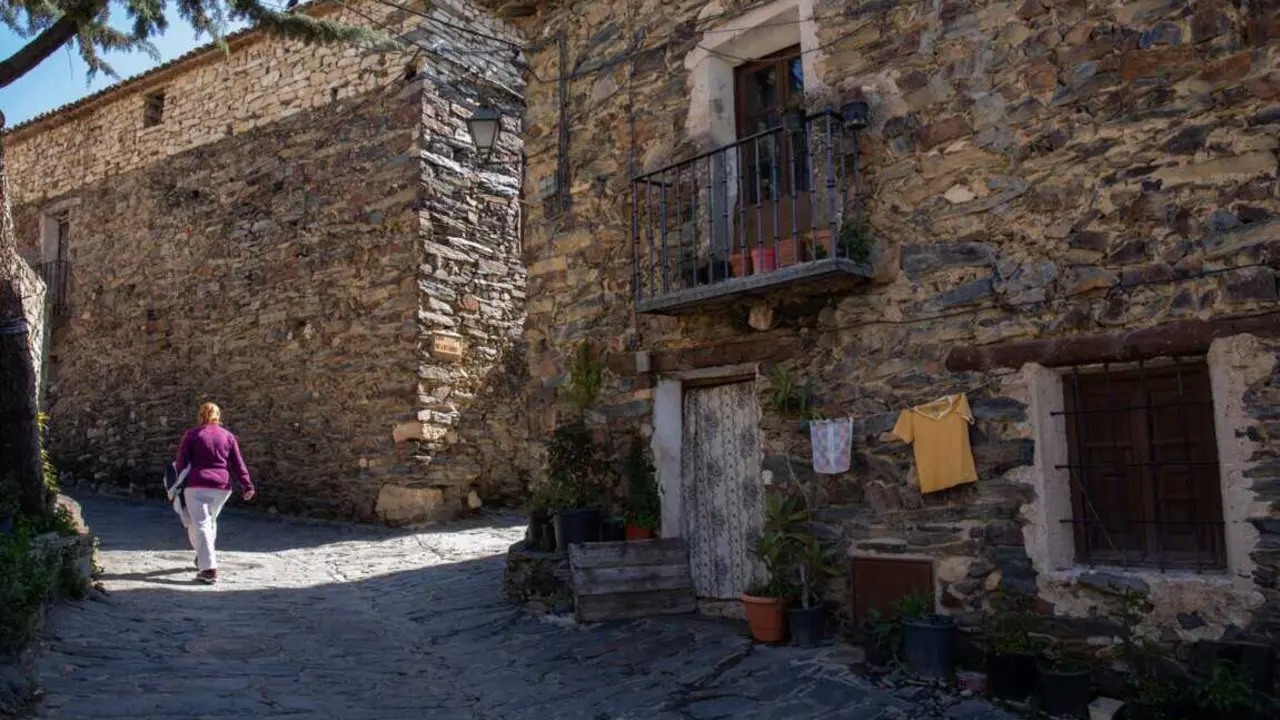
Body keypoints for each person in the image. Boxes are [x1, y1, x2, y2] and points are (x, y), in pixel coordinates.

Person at [174, 402, 254, 584]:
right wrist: (247, 485)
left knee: (200, 523)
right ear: (218, 416)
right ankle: (202, 557)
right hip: (221, 487)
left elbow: (181, 462)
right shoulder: (228, 436)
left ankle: (209, 569)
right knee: (209, 521)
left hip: (196, 485)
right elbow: (238, 463)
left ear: (201, 415)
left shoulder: (193, 435)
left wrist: (175, 483)